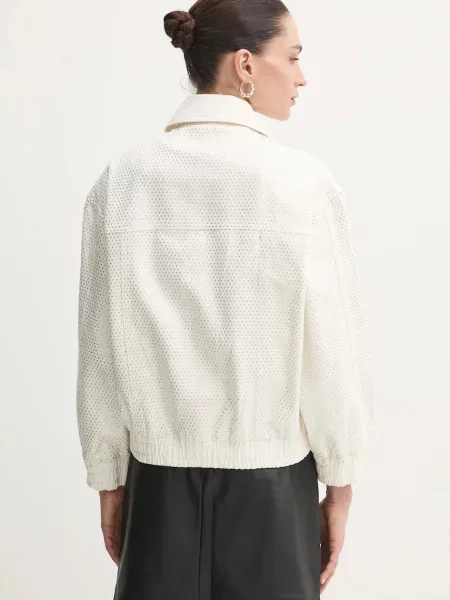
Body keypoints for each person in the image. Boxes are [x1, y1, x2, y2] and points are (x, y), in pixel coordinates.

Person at [76, 1, 374, 598]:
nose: (301, 77)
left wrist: (109, 477)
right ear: (245, 64)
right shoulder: (303, 184)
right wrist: (341, 485)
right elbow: (332, 353)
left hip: (156, 487)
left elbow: (98, 350)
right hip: (273, 489)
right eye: (292, 57)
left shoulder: (121, 180)